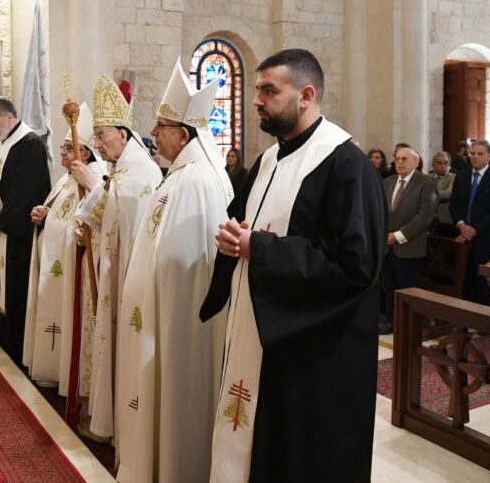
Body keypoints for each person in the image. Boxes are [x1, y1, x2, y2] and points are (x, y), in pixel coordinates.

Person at [202, 49, 387, 482]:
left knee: (300, 454)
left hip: (313, 350)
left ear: (306, 96)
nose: (257, 100)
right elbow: (244, 226)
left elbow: (356, 266)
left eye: (269, 90)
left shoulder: (346, 165)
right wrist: (231, 239)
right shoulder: (268, 160)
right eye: (257, 90)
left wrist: (260, 248)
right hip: (261, 332)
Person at [116, 61, 231, 482]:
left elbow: (186, 266)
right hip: (155, 314)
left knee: (175, 394)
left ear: (184, 135)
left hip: (177, 324)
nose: (153, 132)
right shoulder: (178, 176)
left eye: (162, 126)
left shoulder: (198, 181)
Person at [71, 74, 162, 442]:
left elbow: (131, 219)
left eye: (102, 136)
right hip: (110, 269)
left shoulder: (142, 171)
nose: (98, 144)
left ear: (123, 135)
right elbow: (106, 212)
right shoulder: (119, 168)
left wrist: (92, 186)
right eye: (95, 137)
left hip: (127, 273)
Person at [23, 103, 102, 392]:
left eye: (69, 148)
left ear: (86, 153)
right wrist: (44, 215)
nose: (62, 153)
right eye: (63, 147)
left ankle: (63, 370)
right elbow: (59, 213)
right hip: (54, 261)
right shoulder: (67, 178)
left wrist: (51, 220)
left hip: (71, 267)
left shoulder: (92, 178)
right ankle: (50, 366)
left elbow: (86, 224)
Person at [0, 97, 51, 367]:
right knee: (2, 287)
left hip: (19, 235)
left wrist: (2, 221)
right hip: (2, 228)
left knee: (16, 289)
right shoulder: (3, 143)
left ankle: (18, 347)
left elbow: (25, 193)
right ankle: (2, 337)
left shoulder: (30, 144)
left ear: (9, 117)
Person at [380, 147, 437, 335]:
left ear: (415, 161)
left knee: (407, 288)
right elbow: (380, 210)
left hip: (409, 246)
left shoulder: (426, 183)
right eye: (397, 159)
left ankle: (408, 326)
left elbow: (425, 217)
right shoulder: (388, 182)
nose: (400, 162)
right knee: (389, 287)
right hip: (387, 246)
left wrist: (398, 236)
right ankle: (391, 322)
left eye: (404, 159)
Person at [449, 139, 490, 304]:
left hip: (487, 237)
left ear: (489, 156)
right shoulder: (462, 176)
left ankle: (486, 315)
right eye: (472, 153)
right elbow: (454, 204)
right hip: (463, 233)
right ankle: (466, 312)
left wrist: (473, 229)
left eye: (480, 154)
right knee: (466, 280)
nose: (475, 157)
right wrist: (461, 224)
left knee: (484, 284)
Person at [430, 151, 456, 226]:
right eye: (439, 163)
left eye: (446, 163)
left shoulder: (453, 177)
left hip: (445, 218)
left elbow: (447, 193)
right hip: (427, 217)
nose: (443, 166)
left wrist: (427, 194)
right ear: (433, 165)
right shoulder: (426, 177)